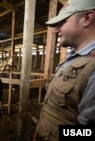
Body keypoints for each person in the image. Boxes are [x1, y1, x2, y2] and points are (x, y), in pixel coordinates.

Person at [34, 0, 95, 140]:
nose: (56, 29)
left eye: (63, 22)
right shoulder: (71, 59)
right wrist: (42, 130)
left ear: (87, 18)